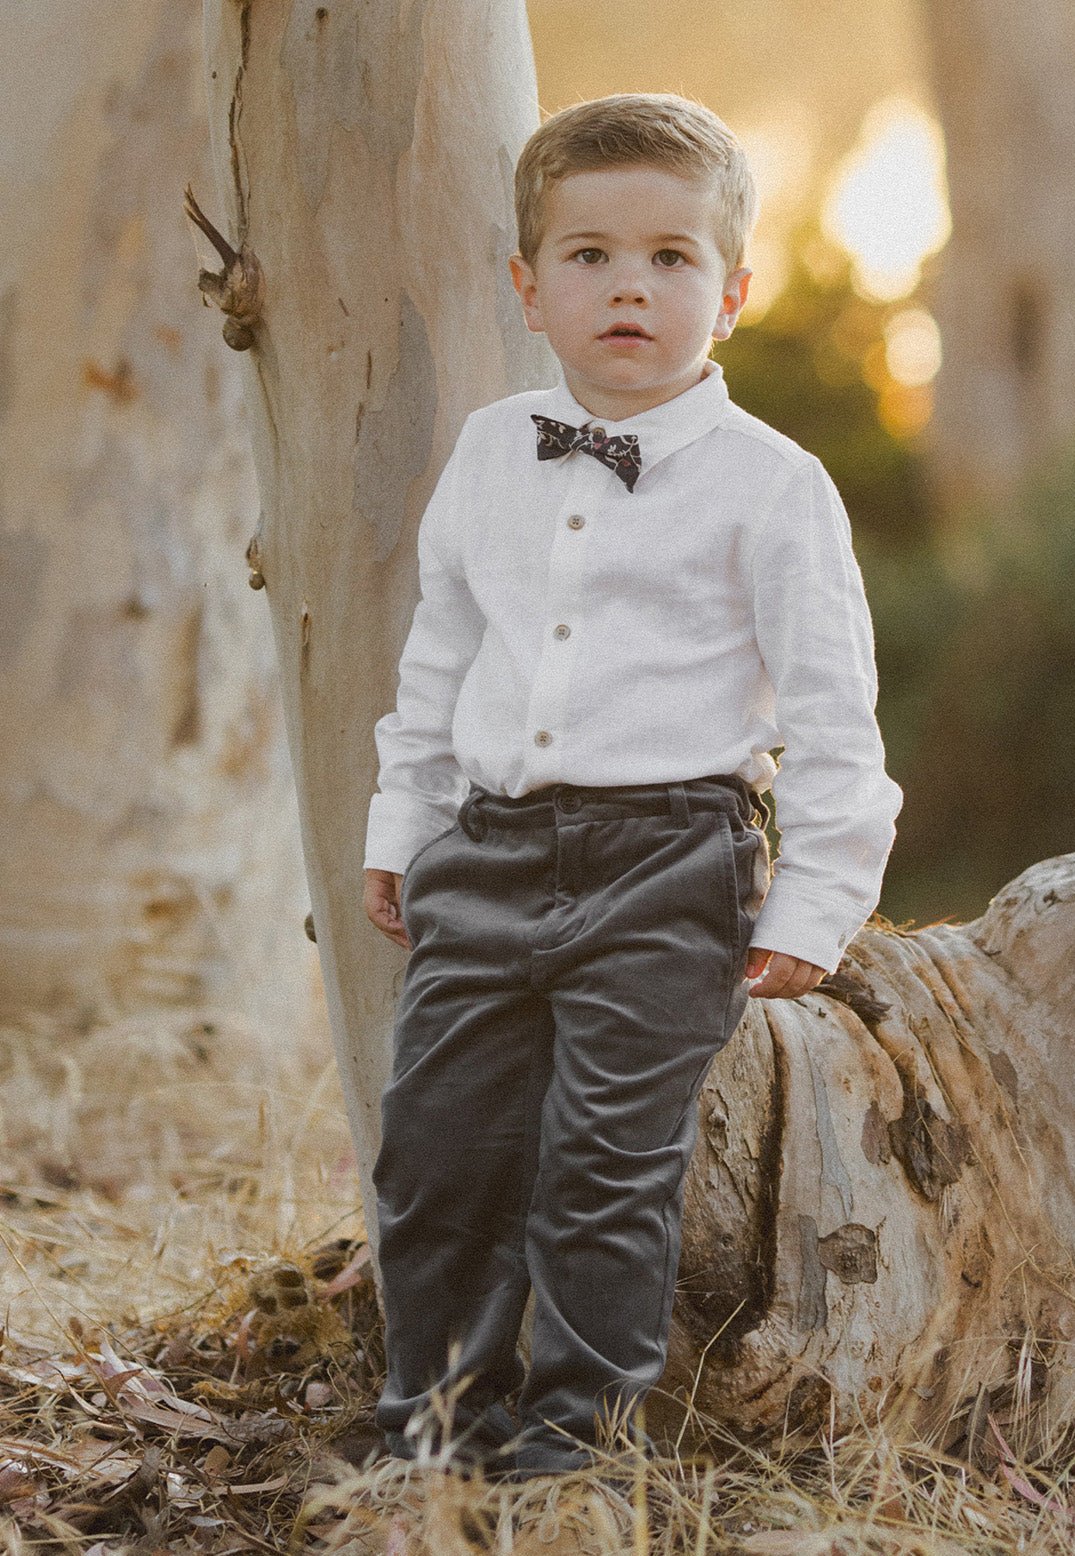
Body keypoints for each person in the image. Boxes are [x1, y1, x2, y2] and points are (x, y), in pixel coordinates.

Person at [362, 93, 902, 1480]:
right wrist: (402, 826)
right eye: (592, 254)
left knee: (605, 1169)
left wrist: (816, 902)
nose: (630, 286)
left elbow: (839, 714)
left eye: (670, 258)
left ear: (728, 291)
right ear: (528, 285)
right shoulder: (491, 451)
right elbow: (442, 656)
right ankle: (434, 1428)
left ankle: (574, 1444)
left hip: (672, 862)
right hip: (482, 854)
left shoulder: (774, 488)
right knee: (437, 1156)